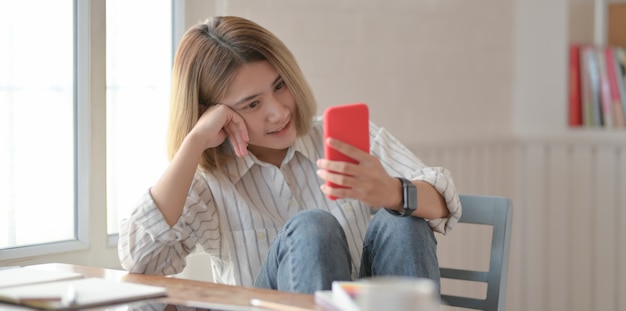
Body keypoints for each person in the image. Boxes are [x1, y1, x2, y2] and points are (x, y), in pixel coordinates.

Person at [118, 16, 462, 295]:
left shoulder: (337, 139)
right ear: (212, 113)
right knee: (313, 227)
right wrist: (193, 142)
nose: (279, 111)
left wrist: (392, 192)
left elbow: (443, 199)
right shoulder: (208, 182)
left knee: (403, 217)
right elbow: (141, 262)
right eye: (252, 104)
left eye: (280, 86)